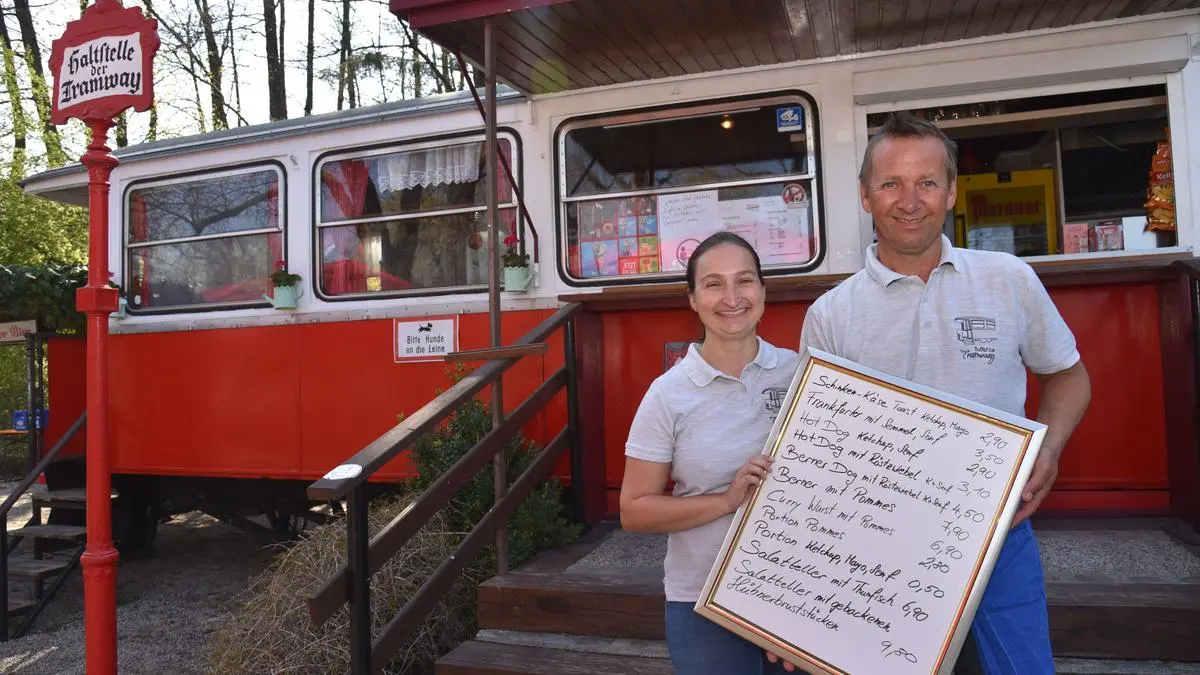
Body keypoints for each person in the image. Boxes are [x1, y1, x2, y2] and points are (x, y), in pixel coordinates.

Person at [768, 111, 1092, 674]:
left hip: (998, 533)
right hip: (873, 548)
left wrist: (1051, 446)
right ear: (866, 197)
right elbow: (811, 457)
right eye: (891, 183)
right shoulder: (831, 315)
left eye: (926, 182)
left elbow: (1068, 375)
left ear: (951, 192)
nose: (909, 199)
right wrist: (786, 597)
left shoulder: (1008, 279)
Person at [620, 231, 797, 675]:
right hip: (703, 599)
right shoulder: (668, 394)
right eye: (714, 284)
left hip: (798, 593)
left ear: (763, 291)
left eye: (745, 281)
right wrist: (726, 500)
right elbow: (634, 510)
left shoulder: (801, 373)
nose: (732, 297)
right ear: (693, 299)